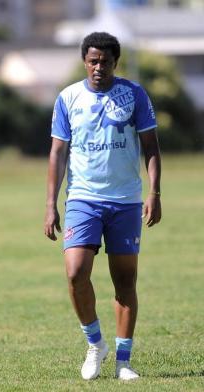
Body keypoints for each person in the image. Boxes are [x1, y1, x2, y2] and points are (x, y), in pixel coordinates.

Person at [44, 31, 161, 381]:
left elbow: (152, 147)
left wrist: (154, 193)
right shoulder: (68, 98)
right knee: (76, 272)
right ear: (84, 61)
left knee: (125, 281)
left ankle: (124, 361)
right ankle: (95, 344)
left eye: (105, 62)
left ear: (115, 63)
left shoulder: (135, 95)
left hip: (125, 201)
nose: (98, 68)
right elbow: (57, 152)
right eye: (93, 61)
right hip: (82, 198)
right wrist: (50, 204)